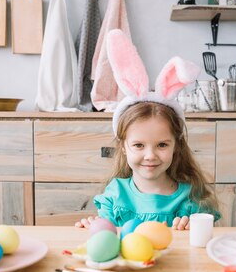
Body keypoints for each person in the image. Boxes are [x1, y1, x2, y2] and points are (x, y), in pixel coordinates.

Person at [75, 29, 220, 230]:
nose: (150, 155)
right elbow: (105, 239)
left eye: (162, 144)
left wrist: (193, 230)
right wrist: (92, 228)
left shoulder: (191, 200)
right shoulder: (115, 196)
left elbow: (204, 246)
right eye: (138, 145)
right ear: (124, 147)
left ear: (176, 145)